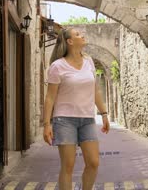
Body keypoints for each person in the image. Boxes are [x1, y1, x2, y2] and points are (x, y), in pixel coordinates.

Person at [43, 27, 110, 190]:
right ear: (70, 42)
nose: (83, 35)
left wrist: (104, 114)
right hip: (64, 120)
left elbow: (95, 90)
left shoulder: (89, 62)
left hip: (87, 119)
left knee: (93, 162)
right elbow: (50, 97)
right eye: (78, 34)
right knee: (68, 166)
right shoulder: (58, 66)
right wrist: (47, 124)